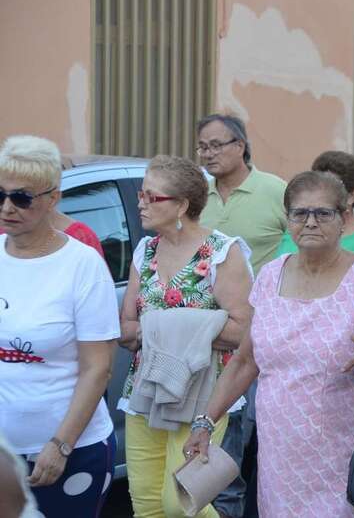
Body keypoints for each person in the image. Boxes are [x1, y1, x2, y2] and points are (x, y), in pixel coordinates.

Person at [183, 171, 354, 517]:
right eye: (300, 213)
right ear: (287, 219)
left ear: (343, 219)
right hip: (280, 454)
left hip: (345, 450)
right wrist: (205, 422)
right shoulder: (270, 275)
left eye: (323, 213)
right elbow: (245, 361)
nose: (310, 222)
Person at [118, 155, 253, 518]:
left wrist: (160, 327)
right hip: (146, 388)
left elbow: (243, 330)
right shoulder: (145, 251)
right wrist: (191, 327)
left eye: (152, 197)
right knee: (146, 506)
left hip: (204, 391)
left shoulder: (222, 252)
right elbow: (127, 329)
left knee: (179, 504)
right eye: (141, 195)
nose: (141, 203)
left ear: (181, 205)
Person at [0, 135, 119, 516]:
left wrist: (60, 445)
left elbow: (97, 368)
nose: (7, 207)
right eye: (0, 195)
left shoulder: (82, 265)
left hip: (69, 453)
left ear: (53, 198)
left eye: (21, 198)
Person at [197, 113, 286, 517]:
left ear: (240, 146)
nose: (208, 153)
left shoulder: (274, 191)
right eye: (202, 146)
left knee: (254, 446)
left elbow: (301, 248)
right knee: (216, 454)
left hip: (258, 342)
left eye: (216, 145)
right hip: (203, 340)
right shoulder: (196, 195)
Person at [277, 150, 354, 260]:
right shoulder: (296, 230)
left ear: (352, 195)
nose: (310, 223)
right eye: (315, 184)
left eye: (332, 187)